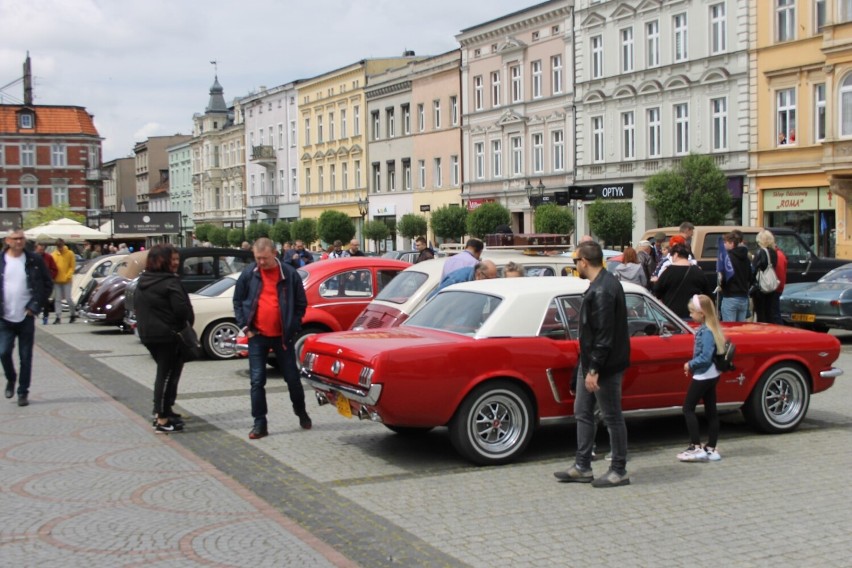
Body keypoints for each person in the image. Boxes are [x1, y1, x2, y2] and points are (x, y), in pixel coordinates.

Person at [554, 240, 630, 488]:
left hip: (604, 366)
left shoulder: (603, 290)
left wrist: (594, 369)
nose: (575, 266)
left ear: (584, 262)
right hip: (593, 362)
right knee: (583, 412)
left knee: (611, 416)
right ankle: (582, 465)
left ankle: (618, 470)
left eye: (575, 262)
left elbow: (604, 336)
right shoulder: (601, 285)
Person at [233, 237, 311, 440]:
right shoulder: (249, 274)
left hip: (283, 337)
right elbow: (238, 301)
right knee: (257, 381)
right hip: (257, 335)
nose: (260, 262)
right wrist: (245, 327)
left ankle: (301, 411)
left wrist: (293, 326)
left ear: (274, 254)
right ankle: (260, 423)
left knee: (293, 379)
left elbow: (301, 304)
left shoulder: (289, 274)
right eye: (257, 258)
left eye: (264, 259)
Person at [135, 244, 193, 434]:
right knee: (167, 375)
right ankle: (161, 418)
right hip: (168, 335)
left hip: (149, 334)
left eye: (177, 259)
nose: (177, 263)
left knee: (167, 374)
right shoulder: (169, 282)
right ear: (163, 261)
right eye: (173, 259)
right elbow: (181, 310)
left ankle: (165, 410)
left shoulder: (144, 280)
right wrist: (181, 323)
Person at [0, 229, 53, 406]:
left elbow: (47, 284)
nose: (19, 241)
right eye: (15, 239)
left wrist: (34, 306)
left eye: (21, 238)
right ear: (7, 240)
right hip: (4, 317)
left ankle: (23, 392)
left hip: (25, 316)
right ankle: (11, 378)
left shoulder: (34, 259)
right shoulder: (1, 260)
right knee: (3, 352)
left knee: (25, 357)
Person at [677, 294, 724, 462]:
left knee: (688, 408)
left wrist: (690, 364)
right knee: (711, 410)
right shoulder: (712, 328)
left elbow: (704, 357)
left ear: (702, 313)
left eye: (692, 312)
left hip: (703, 374)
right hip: (712, 373)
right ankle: (711, 447)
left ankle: (695, 446)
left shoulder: (705, 332)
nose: (690, 315)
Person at [653, 243, 711, 319]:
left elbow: (657, 291)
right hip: (693, 314)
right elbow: (707, 293)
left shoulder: (668, 271)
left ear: (676, 255)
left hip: (672, 315)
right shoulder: (698, 271)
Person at [719, 231, 751, 322]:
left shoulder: (727, 258)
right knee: (740, 330)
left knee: (730, 329)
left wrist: (722, 286)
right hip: (743, 296)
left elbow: (725, 277)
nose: (724, 245)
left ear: (732, 244)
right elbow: (750, 276)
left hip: (730, 296)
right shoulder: (746, 258)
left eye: (725, 242)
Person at [752, 229, 780, 323]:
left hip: (761, 286)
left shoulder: (760, 252)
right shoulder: (773, 252)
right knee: (769, 311)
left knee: (760, 312)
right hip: (771, 285)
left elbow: (754, 269)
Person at [432, 259, 498, 297]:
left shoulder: (476, 281)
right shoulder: (457, 280)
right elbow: (433, 298)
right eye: (489, 279)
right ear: (478, 274)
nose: (491, 283)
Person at [51, 238, 76, 324]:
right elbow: (53, 267)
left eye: (61, 246)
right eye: (58, 247)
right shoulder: (53, 255)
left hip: (67, 280)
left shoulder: (70, 253)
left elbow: (72, 266)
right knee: (57, 299)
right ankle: (58, 316)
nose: (60, 248)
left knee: (68, 298)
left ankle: (73, 314)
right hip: (57, 280)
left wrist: (68, 276)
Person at [34, 243, 58, 325]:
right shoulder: (31, 257)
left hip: (45, 282)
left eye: (43, 249)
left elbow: (54, 269)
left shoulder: (48, 257)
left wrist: (50, 277)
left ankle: (45, 316)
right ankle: (33, 315)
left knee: (45, 300)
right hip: (34, 282)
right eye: (40, 249)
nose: (41, 251)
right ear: (36, 248)